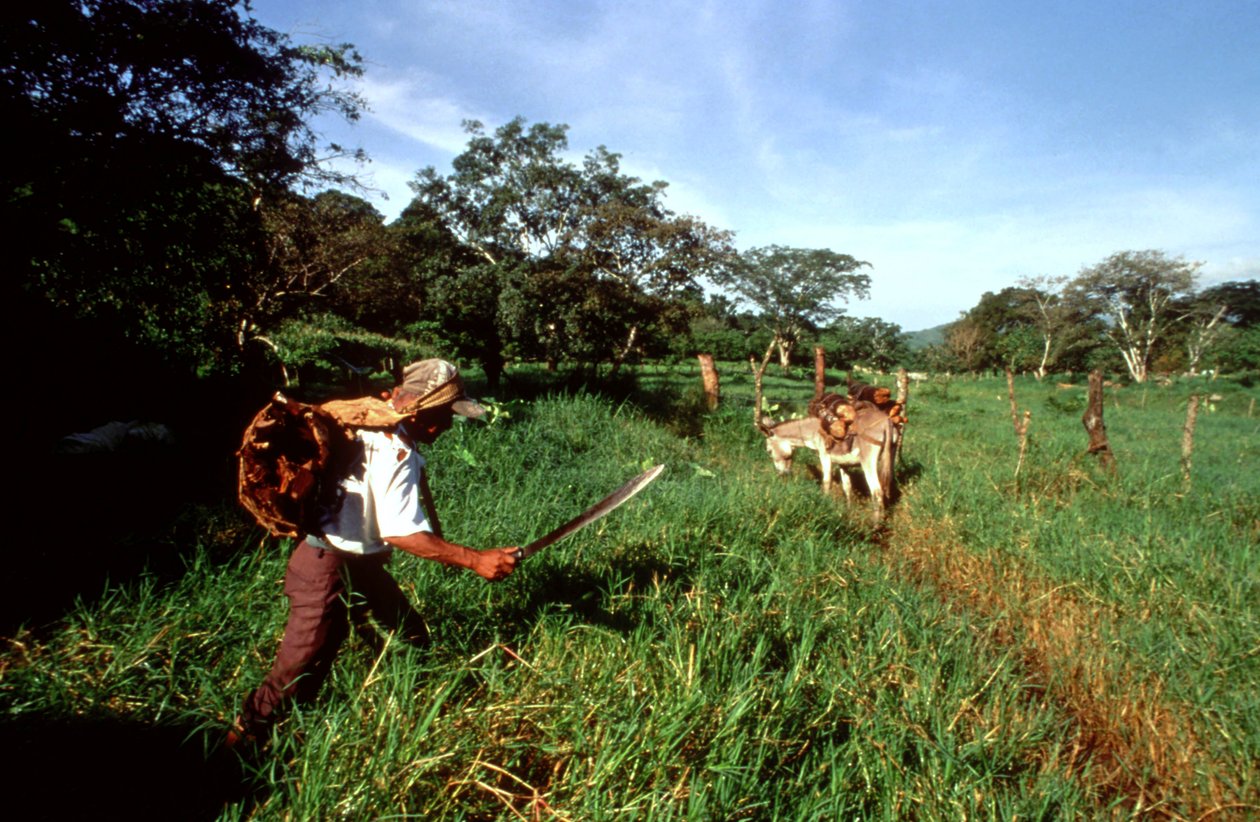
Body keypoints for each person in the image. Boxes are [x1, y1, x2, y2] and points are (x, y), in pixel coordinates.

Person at [230, 359, 518, 745]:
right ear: (421, 412)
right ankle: (235, 750)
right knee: (295, 674)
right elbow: (402, 534)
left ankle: (410, 719)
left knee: (408, 638)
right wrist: (476, 559)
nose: (448, 425)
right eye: (443, 416)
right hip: (327, 569)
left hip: (357, 565)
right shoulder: (392, 450)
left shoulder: (371, 423)